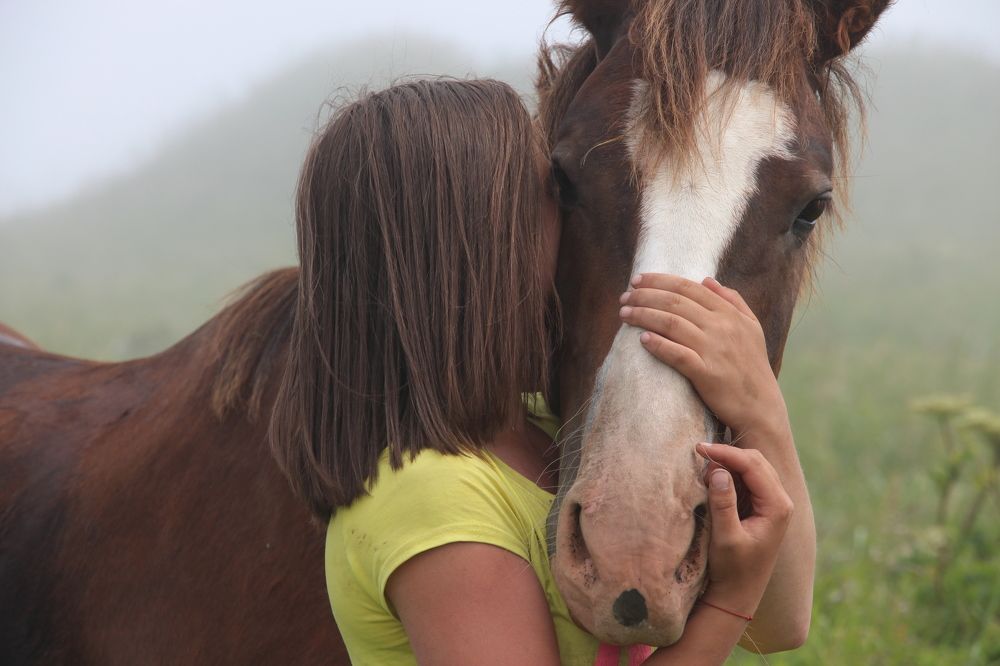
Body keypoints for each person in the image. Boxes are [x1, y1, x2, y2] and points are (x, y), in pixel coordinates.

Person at [269, 78, 811, 665]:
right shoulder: (434, 501)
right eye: (555, 196)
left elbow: (778, 626)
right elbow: (749, 619)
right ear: (477, 248)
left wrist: (760, 409)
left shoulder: (541, 433)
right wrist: (729, 600)